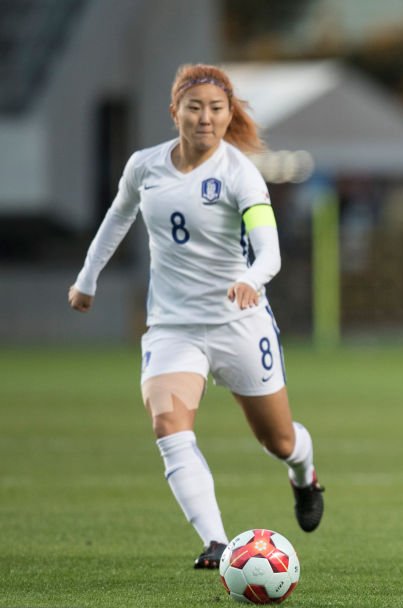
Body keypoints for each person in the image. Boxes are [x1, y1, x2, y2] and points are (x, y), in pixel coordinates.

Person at [68, 63, 326, 569]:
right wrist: (87, 278)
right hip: (173, 326)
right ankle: (216, 541)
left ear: (229, 115)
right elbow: (118, 217)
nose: (205, 118)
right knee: (169, 424)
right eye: (195, 107)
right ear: (175, 112)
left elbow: (268, 251)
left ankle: (305, 475)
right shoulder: (144, 166)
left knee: (279, 440)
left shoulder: (240, 174)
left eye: (216, 108)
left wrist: (251, 281)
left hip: (238, 322)